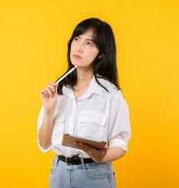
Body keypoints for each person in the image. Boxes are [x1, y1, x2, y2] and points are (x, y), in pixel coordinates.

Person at [37, 17, 131, 188]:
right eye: (77, 39)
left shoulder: (111, 95)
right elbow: (44, 144)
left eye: (89, 43)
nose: (79, 47)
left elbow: (120, 145)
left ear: (100, 53)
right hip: (58, 174)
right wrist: (49, 111)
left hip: (94, 176)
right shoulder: (58, 91)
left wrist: (98, 155)